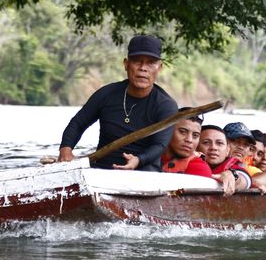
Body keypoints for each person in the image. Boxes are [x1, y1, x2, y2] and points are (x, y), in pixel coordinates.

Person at [58, 35, 178, 171]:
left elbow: (159, 145)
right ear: (126, 64)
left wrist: (138, 160)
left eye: (150, 63)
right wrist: (66, 150)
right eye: (137, 61)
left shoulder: (166, 106)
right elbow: (78, 123)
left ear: (159, 68)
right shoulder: (106, 94)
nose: (143, 68)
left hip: (144, 172)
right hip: (101, 170)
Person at [196, 124, 252, 193]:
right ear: (196, 145)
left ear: (227, 149)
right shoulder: (186, 162)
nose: (214, 147)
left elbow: (243, 179)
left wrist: (232, 175)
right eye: (206, 142)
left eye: (219, 143)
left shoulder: (233, 167)